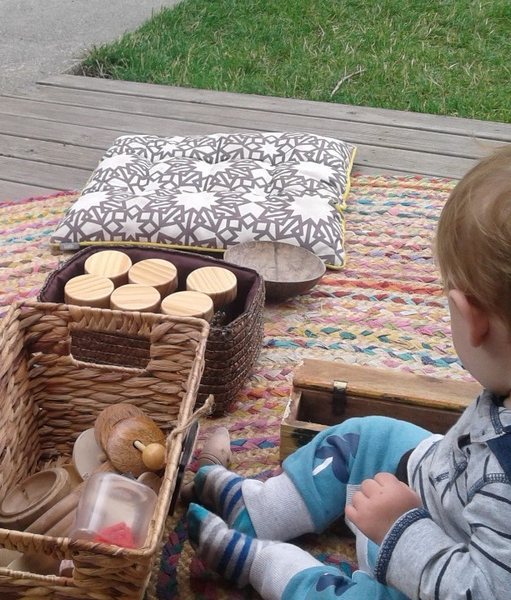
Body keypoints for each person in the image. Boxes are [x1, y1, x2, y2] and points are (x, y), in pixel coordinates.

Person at [185, 146, 511, 599]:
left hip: (434, 571)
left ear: (472, 320)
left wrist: (402, 528)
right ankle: (261, 509)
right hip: (443, 491)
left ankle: (261, 562)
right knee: (372, 436)